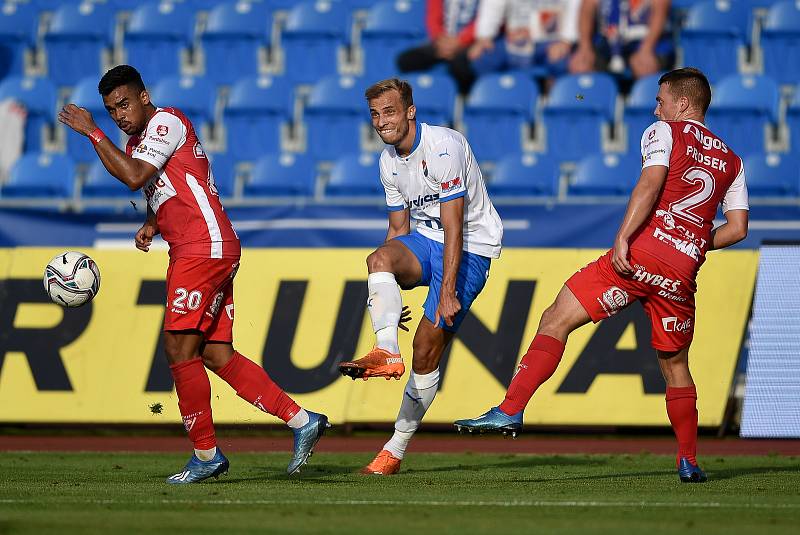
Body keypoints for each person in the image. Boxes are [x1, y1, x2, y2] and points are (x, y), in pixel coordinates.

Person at [454, 67, 749, 483]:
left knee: (557, 318)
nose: (656, 108)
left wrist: (625, 237)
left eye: (661, 101)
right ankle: (689, 460)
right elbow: (738, 229)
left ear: (682, 104)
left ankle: (510, 409)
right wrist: (695, 244)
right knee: (676, 365)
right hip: (682, 272)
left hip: (639, 256)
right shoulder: (733, 161)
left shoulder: (664, 132)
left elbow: (649, 185)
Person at [57, 65, 329, 484]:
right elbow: (170, 183)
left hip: (204, 247)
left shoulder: (166, 121)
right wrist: (153, 220)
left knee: (177, 349)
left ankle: (206, 455)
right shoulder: (139, 139)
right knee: (214, 353)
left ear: (144, 96)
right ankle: (301, 420)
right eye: (111, 111)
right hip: (198, 247)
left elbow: (134, 177)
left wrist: (93, 131)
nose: (120, 116)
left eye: (124, 104)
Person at [337, 78, 503, 475]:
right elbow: (398, 231)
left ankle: (394, 450)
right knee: (378, 259)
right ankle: (386, 351)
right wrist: (388, 287)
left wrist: (446, 292)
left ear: (410, 111)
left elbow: (454, 224)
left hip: (469, 247)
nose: (381, 122)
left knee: (426, 349)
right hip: (426, 240)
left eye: (389, 111)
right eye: (375, 115)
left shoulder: (443, 146)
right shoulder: (387, 161)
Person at [468, 0, 581, 80]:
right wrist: (484, 37)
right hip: (513, 41)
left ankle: (568, 102)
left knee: (564, 65)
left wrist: (566, 41)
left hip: (551, 42)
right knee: (482, 60)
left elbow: (575, 7)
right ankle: (495, 105)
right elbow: (493, 5)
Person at [569, 0, 672, 80]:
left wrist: (646, 49)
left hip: (644, 43)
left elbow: (659, 14)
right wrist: (584, 47)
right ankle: (586, 102)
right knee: (580, 65)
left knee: (644, 67)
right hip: (607, 44)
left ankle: (643, 103)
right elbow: (586, 11)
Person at [396, 0, 479, 94]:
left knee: (459, 65)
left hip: (471, 43)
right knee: (407, 60)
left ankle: (464, 101)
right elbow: (433, 15)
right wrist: (440, 40)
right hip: (441, 42)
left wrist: (461, 41)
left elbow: (485, 19)